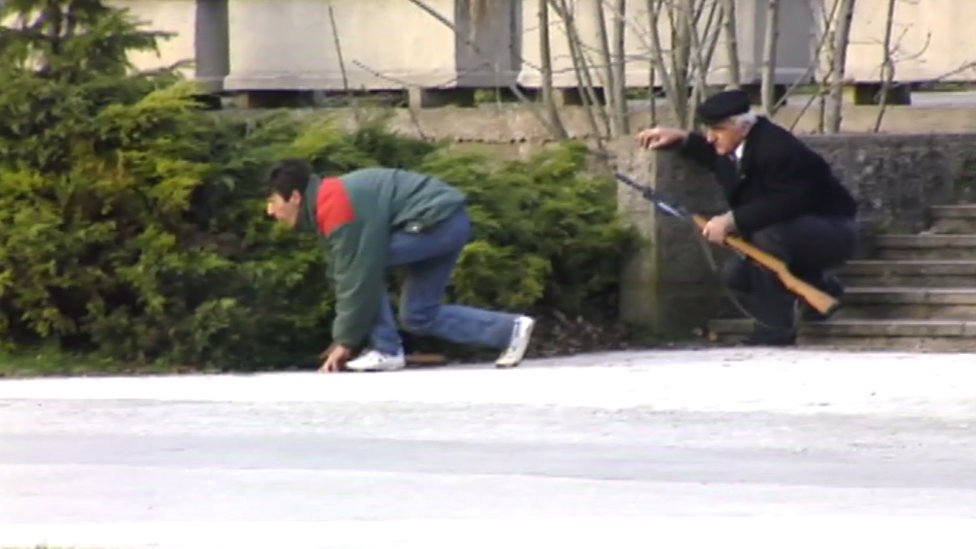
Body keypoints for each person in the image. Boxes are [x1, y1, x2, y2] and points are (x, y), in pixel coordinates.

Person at [634, 89, 859, 346]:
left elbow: (788, 202)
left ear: (741, 127)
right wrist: (682, 138)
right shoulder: (737, 144)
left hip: (832, 230)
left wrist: (730, 221)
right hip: (790, 232)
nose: (710, 137)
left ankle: (774, 330)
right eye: (707, 129)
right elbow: (713, 155)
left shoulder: (778, 149)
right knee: (737, 275)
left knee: (766, 239)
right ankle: (819, 289)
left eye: (717, 130)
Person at [264, 160, 535, 372]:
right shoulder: (330, 200)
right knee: (418, 315)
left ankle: (386, 349)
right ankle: (510, 329)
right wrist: (343, 337)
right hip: (448, 222)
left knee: (365, 266)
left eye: (273, 201)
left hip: (437, 221)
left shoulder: (334, 204)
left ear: (295, 197)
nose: (270, 211)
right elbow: (346, 270)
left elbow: (357, 277)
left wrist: (346, 341)